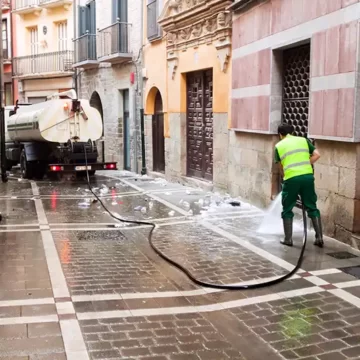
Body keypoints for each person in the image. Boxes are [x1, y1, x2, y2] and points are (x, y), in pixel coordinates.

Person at [274, 123, 323, 248]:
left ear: (280, 134)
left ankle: (288, 239)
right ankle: (319, 237)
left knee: (287, 208)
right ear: (292, 132)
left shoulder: (279, 146)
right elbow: (317, 154)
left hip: (291, 178)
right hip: (307, 176)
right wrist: (306, 163)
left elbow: (281, 167)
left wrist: (285, 178)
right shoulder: (303, 140)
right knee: (312, 206)